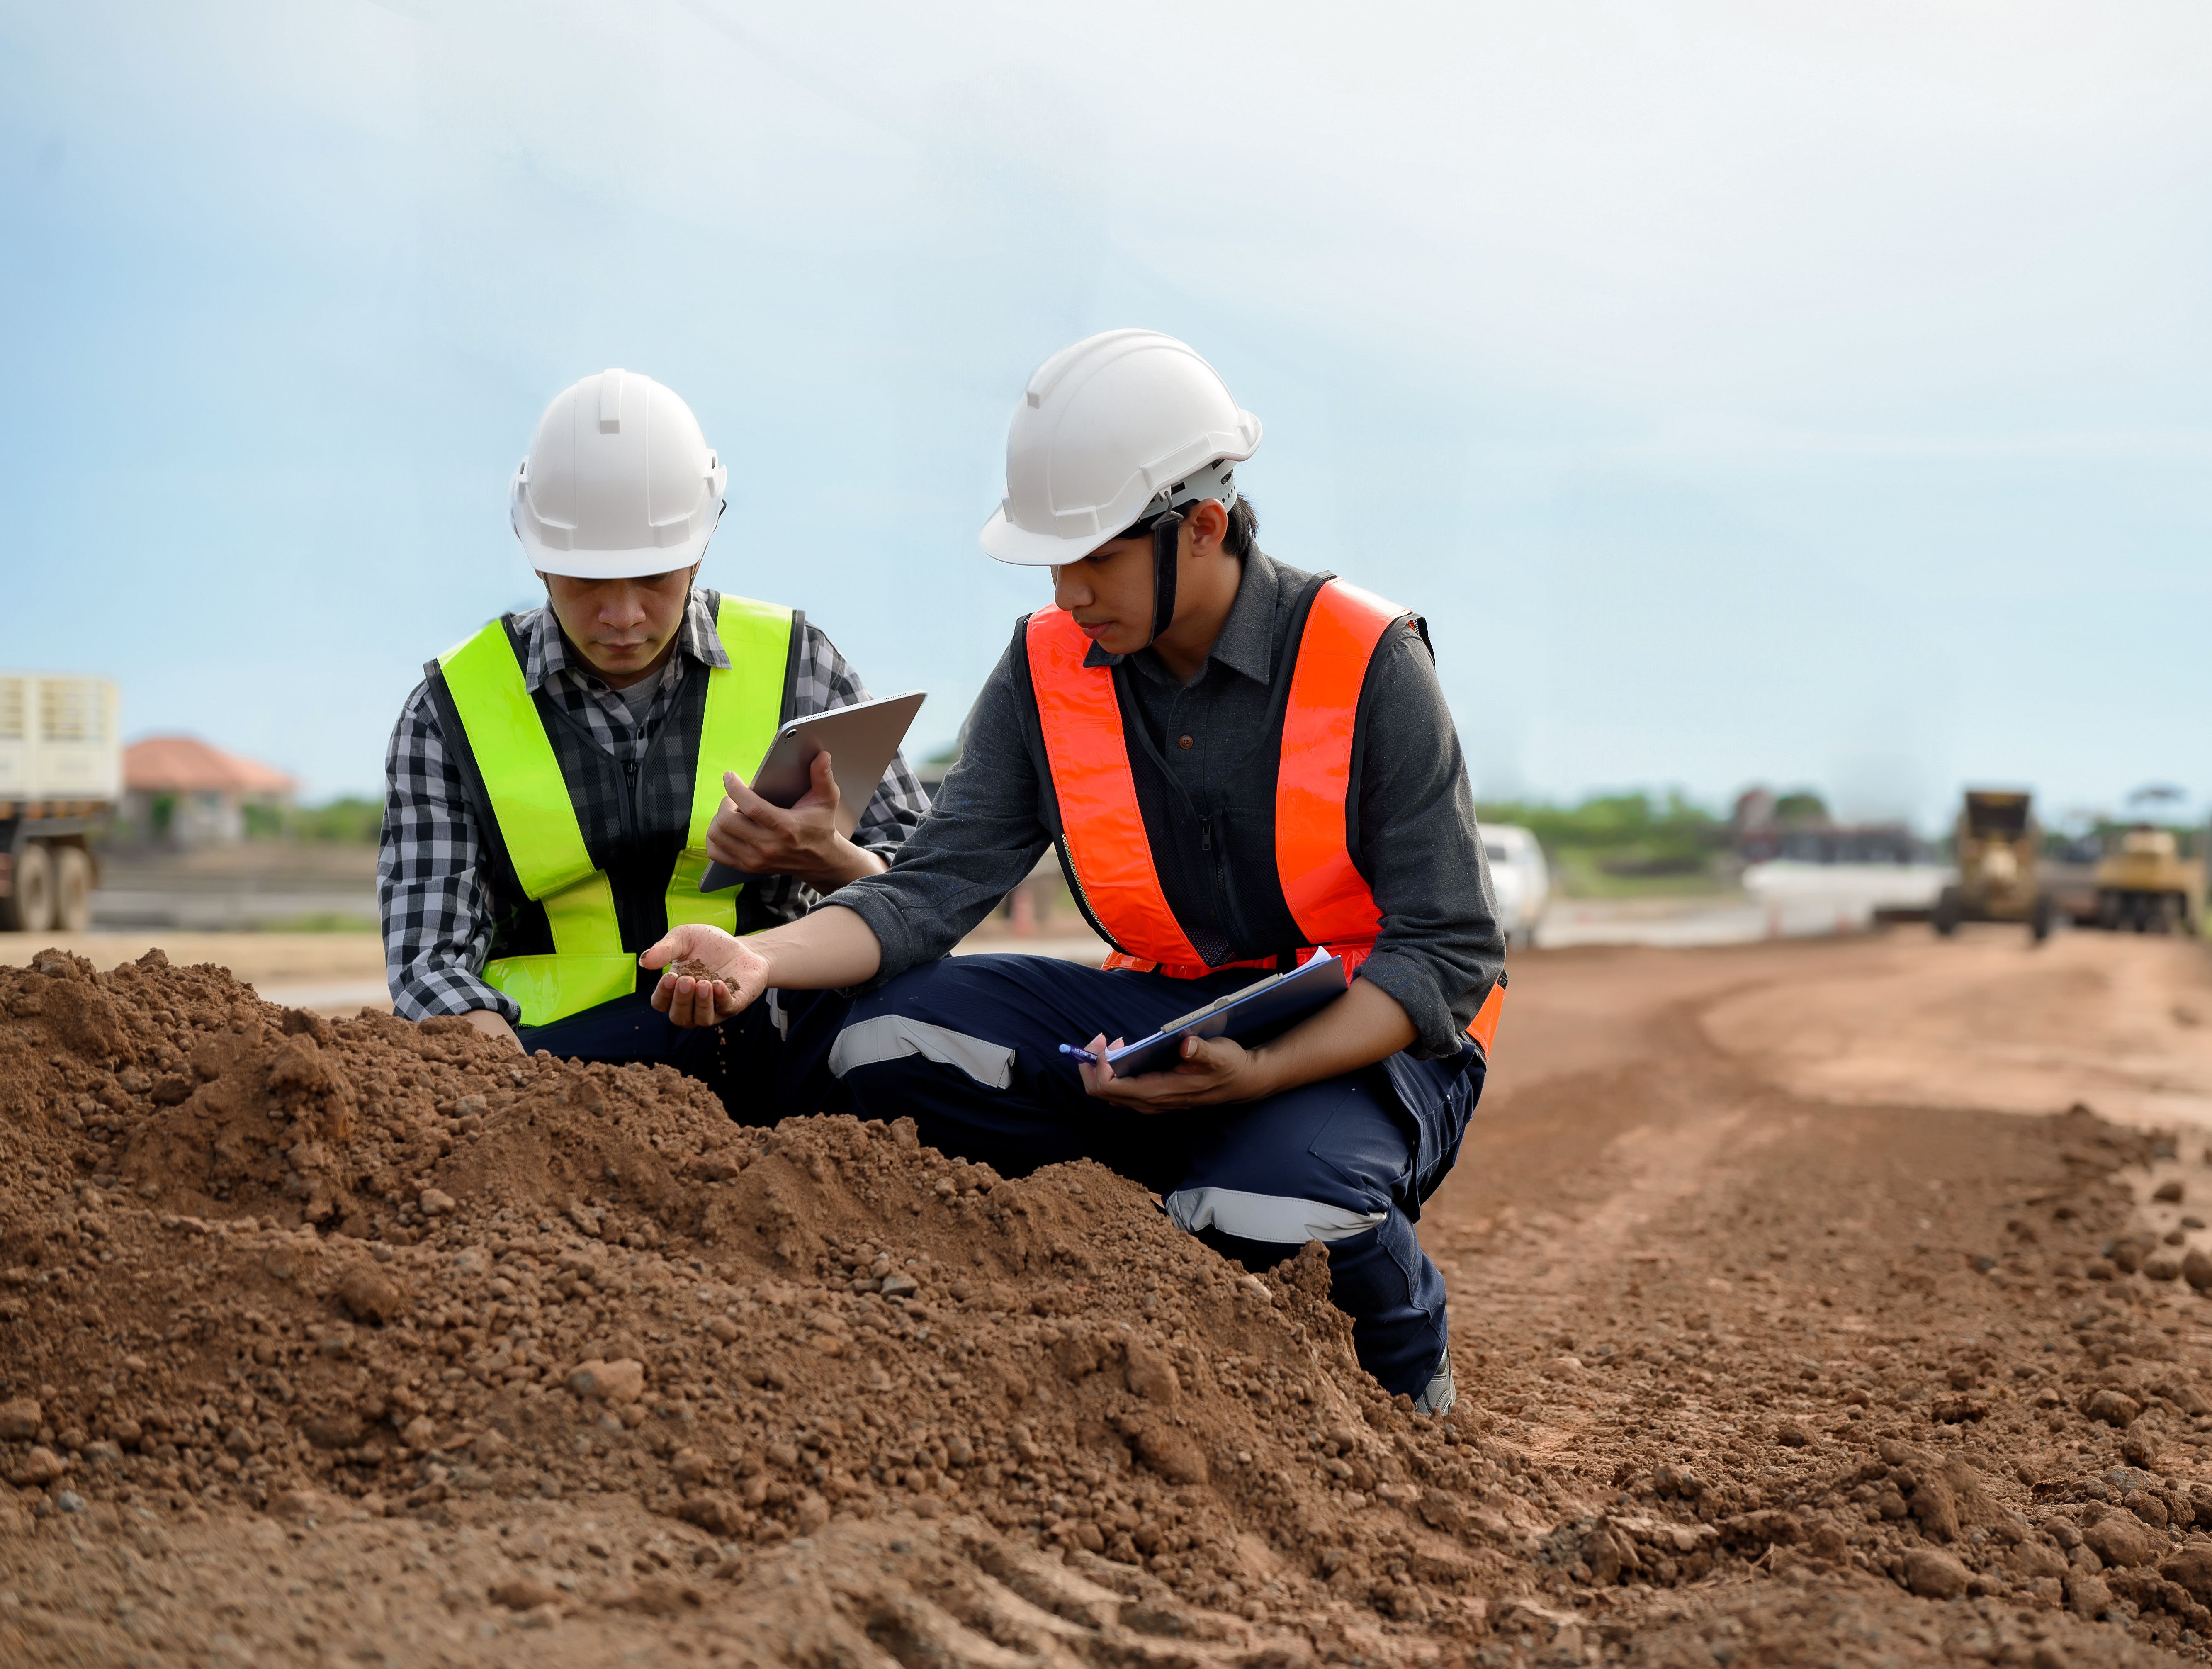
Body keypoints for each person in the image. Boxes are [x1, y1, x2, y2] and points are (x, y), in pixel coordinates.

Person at [638, 330, 1504, 1411]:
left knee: (1269, 1216)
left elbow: (1449, 953)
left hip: (1365, 1044)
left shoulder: (1368, 660)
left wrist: (1264, 1073)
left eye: (1095, 556)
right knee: (868, 1039)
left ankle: (1408, 1378)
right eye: (1055, 559)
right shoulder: (1048, 664)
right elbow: (925, 892)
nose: (1070, 590)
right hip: (1163, 1014)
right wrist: (757, 960)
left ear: (1203, 527)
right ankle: (1098, 1267)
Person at [380, 369, 929, 1119]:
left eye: (652, 578)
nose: (622, 614)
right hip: (548, 1072)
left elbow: (920, 898)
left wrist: (830, 859)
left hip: (773, 1054)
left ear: (699, 549)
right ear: (536, 554)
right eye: (587, 581)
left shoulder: (801, 668)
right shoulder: (449, 712)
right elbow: (429, 966)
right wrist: (518, 1106)